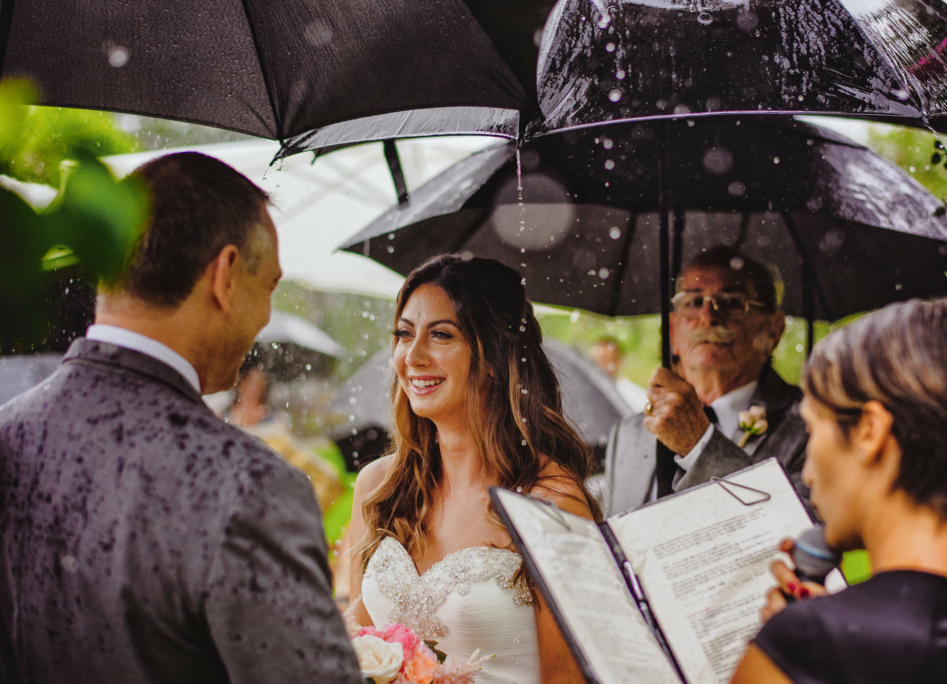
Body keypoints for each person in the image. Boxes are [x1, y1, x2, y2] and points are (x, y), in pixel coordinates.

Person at [0, 152, 362, 683]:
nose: (265, 317)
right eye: (268, 288)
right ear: (225, 275)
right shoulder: (248, 486)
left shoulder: (8, 435)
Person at [732, 299, 947, 684]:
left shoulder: (806, 648)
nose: (809, 472)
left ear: (870, 433)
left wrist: (810, 645)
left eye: (813, 430)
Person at [346, 254, 601, 684]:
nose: (413, 356)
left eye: (441, 335)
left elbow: (571, 679)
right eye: (404, 335)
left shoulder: (551, 502)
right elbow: (360, 641)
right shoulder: (380, 487)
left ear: (494, 356)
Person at [604, 247, 808, 516]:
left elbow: (797, 532)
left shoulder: (812, 425)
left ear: (773, 329)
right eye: (693, 302)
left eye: (732, 302)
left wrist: (700, 446)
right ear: (673, 331)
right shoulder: (628, 434)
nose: (708, 316)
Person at [228, 362, 346, 514]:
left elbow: (283, 448)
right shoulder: (225, 411)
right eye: (251, 381)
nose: (255, 386)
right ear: (242, 383)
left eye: (259, 382)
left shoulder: (272, 417)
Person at [589, 336, 648, 413]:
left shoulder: (636, 396)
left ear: (620, 361)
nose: (602, 366)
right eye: (598, 360)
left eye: (608, 359)